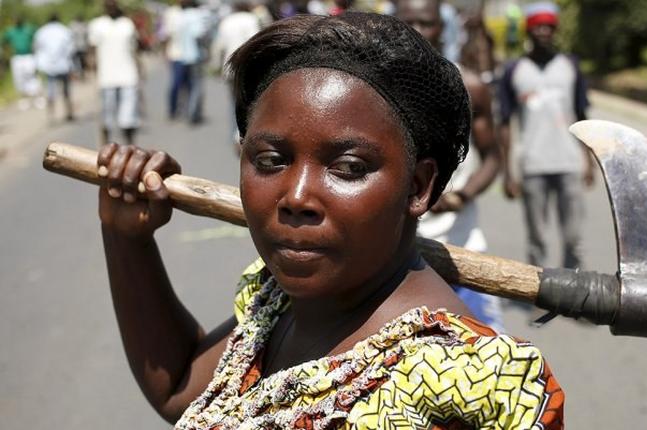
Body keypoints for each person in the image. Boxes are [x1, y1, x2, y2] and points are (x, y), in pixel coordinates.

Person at [95, 13, 563, 428]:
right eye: (270, 159)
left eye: (349, 168)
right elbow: (182, 390)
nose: (296, 197)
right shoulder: (278, 305)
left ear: (418, 187)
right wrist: (126, 238)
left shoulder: (458, 381)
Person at [397, 0, 504, 332]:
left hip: (460, 250)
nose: (417, 31)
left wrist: (460, 195)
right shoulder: (370, 86)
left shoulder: (469, 87)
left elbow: (493, 158)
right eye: (408, 22)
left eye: (426, 22)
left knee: (490, 364)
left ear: (442, 26)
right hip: (391, 258)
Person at [498, 1, 594, 269]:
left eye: (548, 27)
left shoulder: (570, 67)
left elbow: (582, 113)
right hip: (532, 166)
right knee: (537, 238)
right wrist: (508, 171)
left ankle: (576, 293)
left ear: (555, 30)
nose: (543, 32)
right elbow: (504, 123)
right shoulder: (514, 71)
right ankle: (539, 296)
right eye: (537, 26)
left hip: (569, 163)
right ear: (529, 31)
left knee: (573, 236)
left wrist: (589, 161)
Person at [89, 0, 142, 146]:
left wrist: (139, 69)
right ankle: (105, 149)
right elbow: (92, 51)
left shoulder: (127, 24)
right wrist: (91, 69)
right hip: (106, 76)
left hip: (128, 75)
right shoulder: (97, 25)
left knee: (128, 116)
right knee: (106, 115)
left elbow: (134, 49)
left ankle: (131, 149)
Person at [212, 0, 264, 145]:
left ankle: (235, 134)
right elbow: (256, 42)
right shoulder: (251, 19)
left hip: (230, 67)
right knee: (250, 101)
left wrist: (216, 66)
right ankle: (244, 134)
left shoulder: (226, 21)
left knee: (233, 102)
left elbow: (219, 46)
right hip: (248, 67)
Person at [33, 13, 75, 122]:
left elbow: (37, 48)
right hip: (63, 65)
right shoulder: (64, 30)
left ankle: (51, 116)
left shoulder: (42, 31)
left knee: (50, 91)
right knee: (66, 91)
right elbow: (71, 48)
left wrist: (39, 64)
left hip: (49, 67)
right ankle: (69, 113)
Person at [2, 18, 42, 110]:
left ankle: (38, 98)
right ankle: (24, 99)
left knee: (33, 76)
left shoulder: (28, 29)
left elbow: (37, 37)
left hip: (29, 56)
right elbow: (3, 41)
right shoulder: (10, 31)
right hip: (17, 57)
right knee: (19, 79)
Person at [70, 15, 90, 80]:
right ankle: (79, 74)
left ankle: (81, 74)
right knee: (78, 61)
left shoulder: (74, 25)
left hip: (80, 47)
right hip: (79, 47)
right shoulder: (83, 25)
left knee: (80, 61)